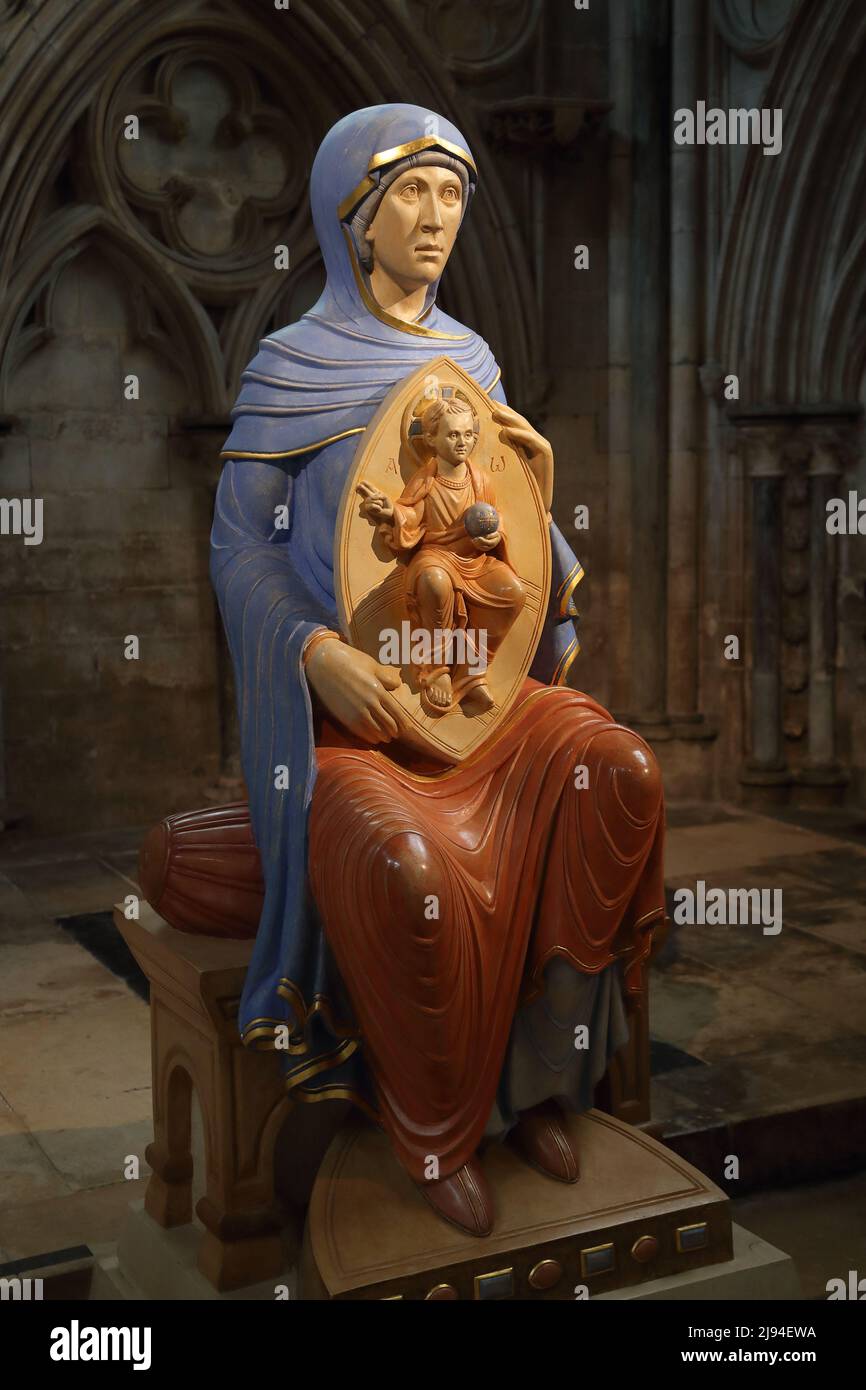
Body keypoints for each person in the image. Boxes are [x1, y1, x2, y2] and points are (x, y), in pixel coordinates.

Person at [211, 103, 665, 1237]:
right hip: (357, 720)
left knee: (618, 773)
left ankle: (539, 1082)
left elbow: (505, 532)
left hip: (474, 695)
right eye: (410, 191)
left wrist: (536, 501)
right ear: (354, 215)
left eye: (452, 193)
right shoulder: (292, 366)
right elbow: (238, 548)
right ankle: (435, 1125)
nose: (436, 216)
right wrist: (314, 651)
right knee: (411, 866)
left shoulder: (469, 362)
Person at [358, 394, 525, 716]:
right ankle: (437, 670)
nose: (462, 442)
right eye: (453, 435)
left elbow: (493, 519)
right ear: (431, 439)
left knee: (512, 592)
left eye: (468, 434)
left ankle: (472, 670)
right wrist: (391, 511)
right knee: (435, 583)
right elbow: (410, 516)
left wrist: (494, 536)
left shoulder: (480, 480)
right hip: (435, 556)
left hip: (474, 560)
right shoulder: (427, 480)